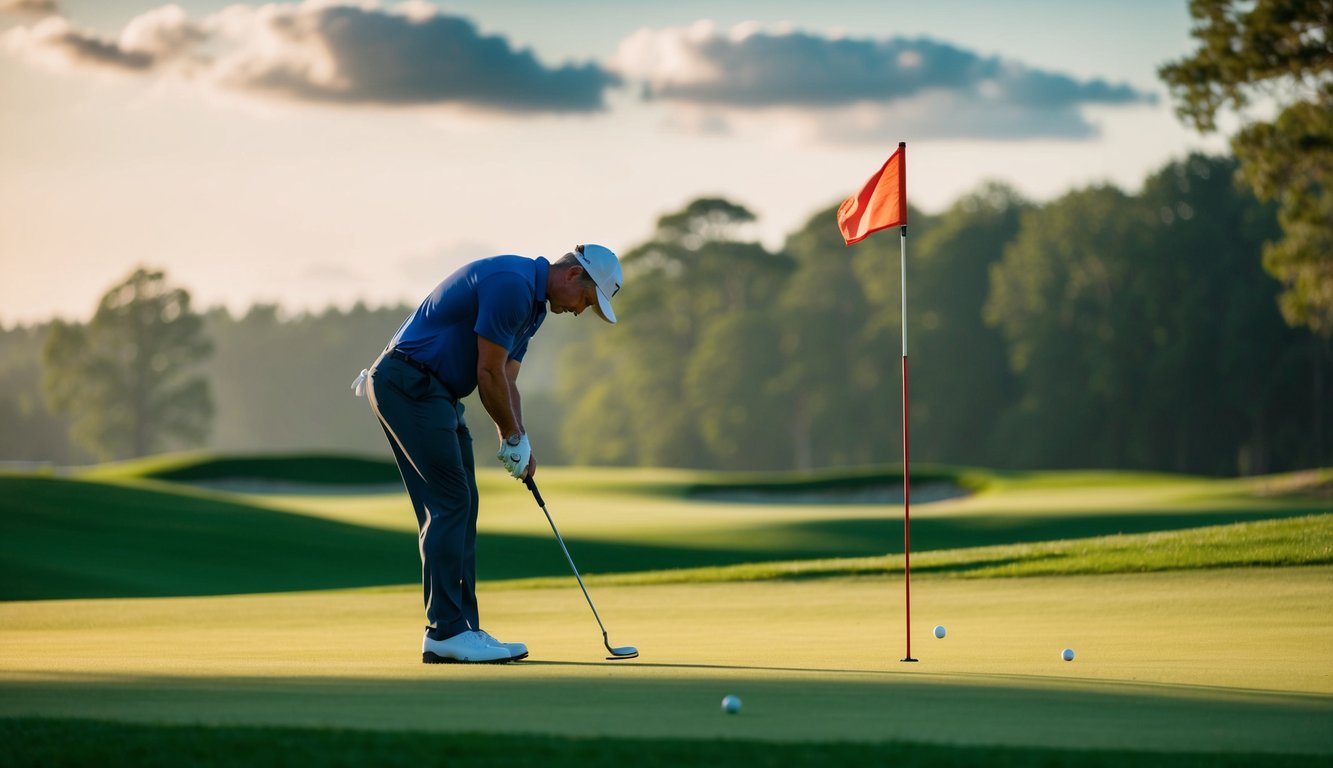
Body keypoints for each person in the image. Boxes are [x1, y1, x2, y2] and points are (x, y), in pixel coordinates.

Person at [352, 244, 623, 664]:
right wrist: (512, 435)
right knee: (449, 504)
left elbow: (506, 379)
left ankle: (463, 629)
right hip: (409, 384)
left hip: (434, 392)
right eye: (587, 300)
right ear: (573, 276)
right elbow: (487, 372)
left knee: (464, 503)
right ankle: (445, 632)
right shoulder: (512, 285)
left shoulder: (532, 309)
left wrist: (518, 439)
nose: (581, 310)